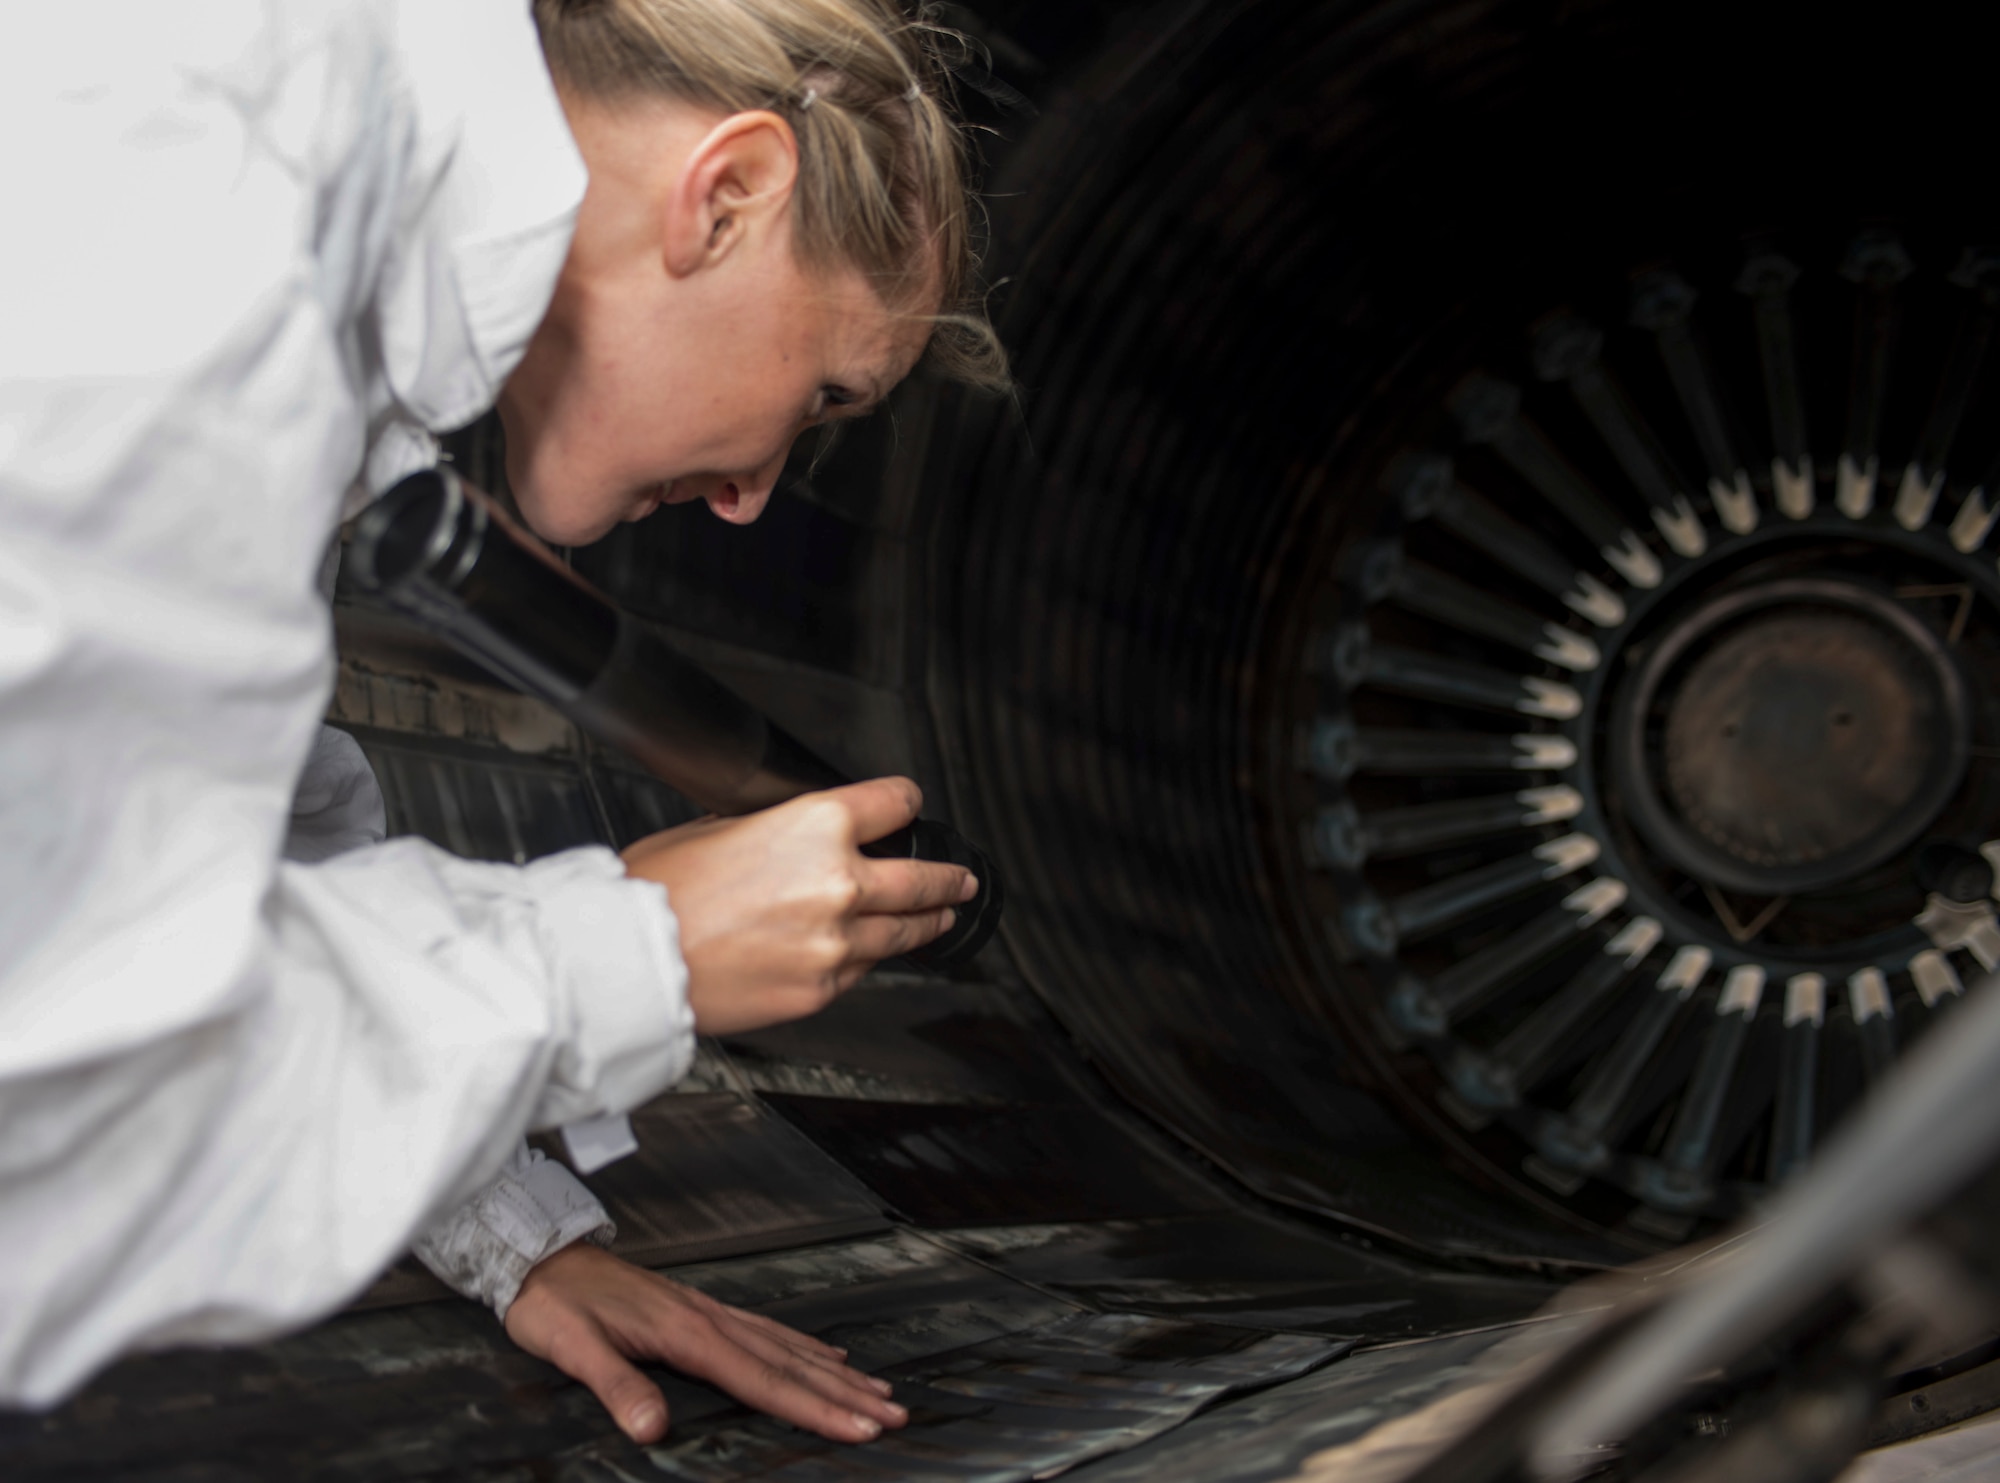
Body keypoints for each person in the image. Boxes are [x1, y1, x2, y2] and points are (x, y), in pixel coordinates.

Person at [0, 0, 1007, 1449]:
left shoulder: (301, 195)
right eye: (825, 393)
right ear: (726, 196)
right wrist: (630, 951)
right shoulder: (206, 219)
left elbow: (240, 849)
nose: (756, 495)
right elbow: (61, 1092)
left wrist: (502, 1224)